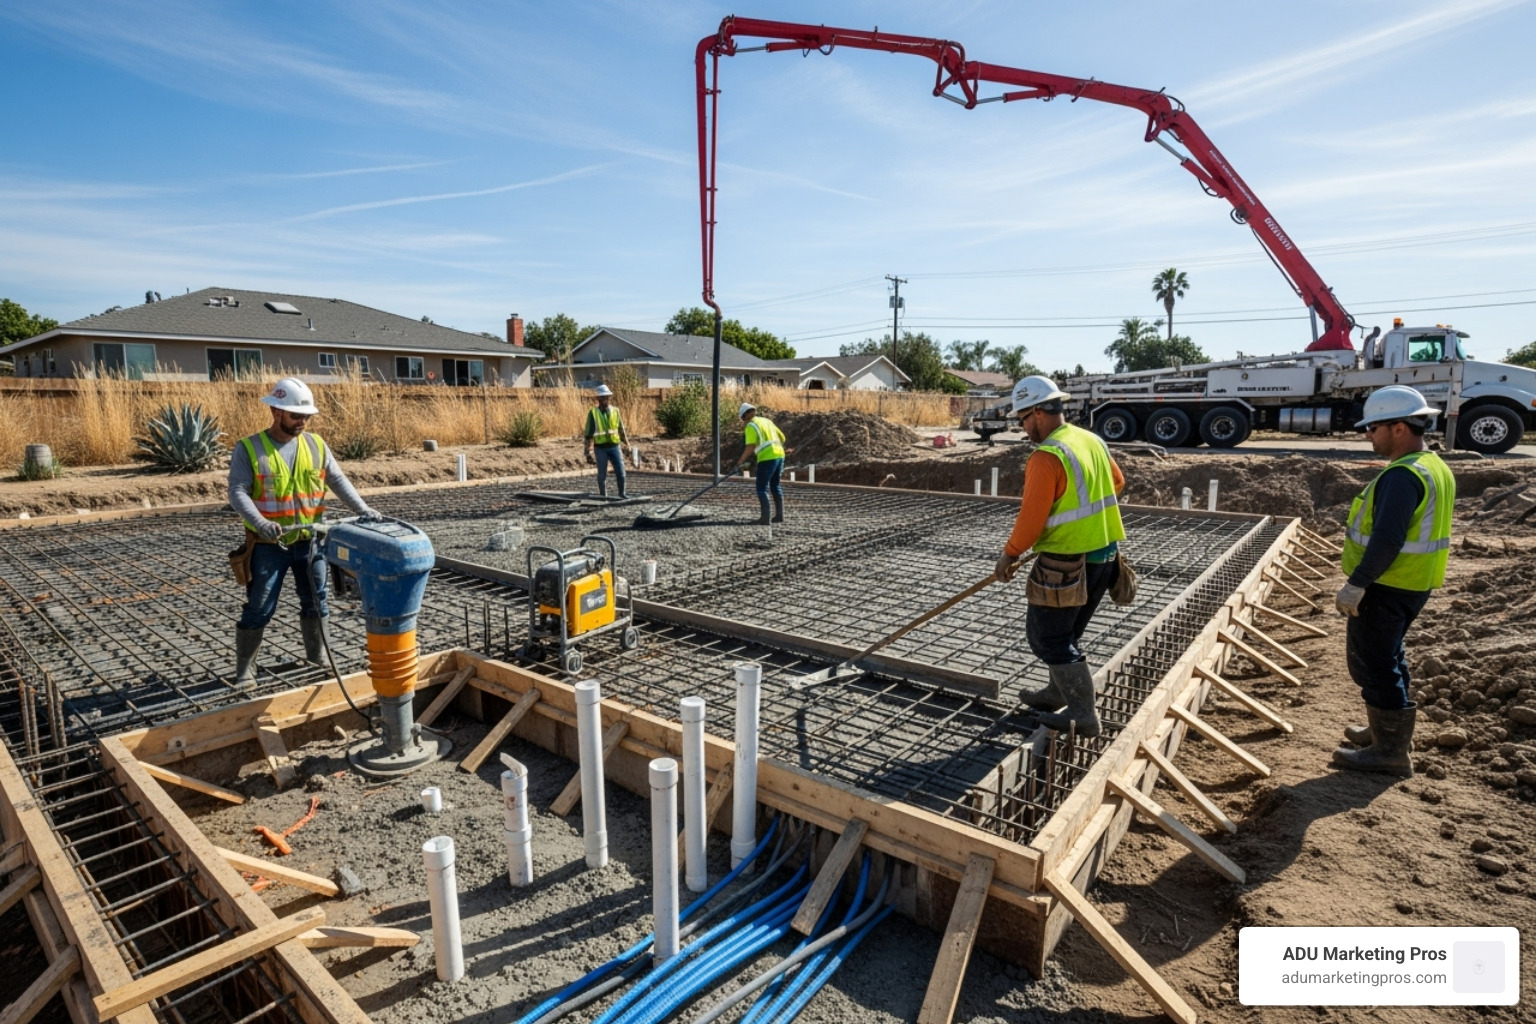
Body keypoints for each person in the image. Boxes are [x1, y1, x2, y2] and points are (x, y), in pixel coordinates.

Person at [994, 376, 1127, 736]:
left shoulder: (1047, 456)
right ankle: (1057, 692)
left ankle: (1084, 714)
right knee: (1066, 635)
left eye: (1022, 420)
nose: (1023, 430)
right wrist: (1079, 510)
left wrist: (1009, 555)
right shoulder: (1089, 439)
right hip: (1106, 557)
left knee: (1047, 639)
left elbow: (1031, 520)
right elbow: (1117, 483)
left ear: (1037, 412)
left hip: (1066, 564)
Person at [1333, 385, 1454, 777]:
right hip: (1411, 584)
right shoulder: (1432, 464)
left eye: (1373, 428)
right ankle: (1386, 733)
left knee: (1375, 663)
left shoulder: (1403, 476)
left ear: (1399, 427)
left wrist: (1358, 583)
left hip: (1387, 584)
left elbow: (1387, 539)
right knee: (1390, 657)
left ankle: (1389, 752)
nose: (1369, 436)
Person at [228, 377, 378, 687]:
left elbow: (337, 481)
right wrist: (260, 523)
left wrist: (363, 509)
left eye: (306, 416)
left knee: (316, 600)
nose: (302, 422)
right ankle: (245, 671)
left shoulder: (315, 444)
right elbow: (238, 492)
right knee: (260, 606)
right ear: (276, 412)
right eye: (296, 416)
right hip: (270, 545)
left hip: (311, 542)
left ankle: (316, 659)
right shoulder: (250, 448)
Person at [735, 402, 786, 525]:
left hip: (767, 458)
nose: (744, 422)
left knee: (761, 488)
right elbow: (782, 438)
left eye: (743, 419)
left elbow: (750, 446)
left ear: (746, 416)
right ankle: (779, 516)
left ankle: (765, 518)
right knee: (775, 486)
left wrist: (740, 461)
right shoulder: (767, 421)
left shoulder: (751, 426)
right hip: (779, 455)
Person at [583, 384, 629, 498]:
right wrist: (587, 452)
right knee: (602, 475)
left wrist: (627, 445)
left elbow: (621, 429)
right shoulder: (593, 413)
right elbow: (588, 434)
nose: (606, 399)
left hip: (614, 446)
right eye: (603, 397)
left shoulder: (615, 411)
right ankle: (603, 496)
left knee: (621, 473)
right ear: (598, 399)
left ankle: (622, 494)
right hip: (600, 448)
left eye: (607, 397)